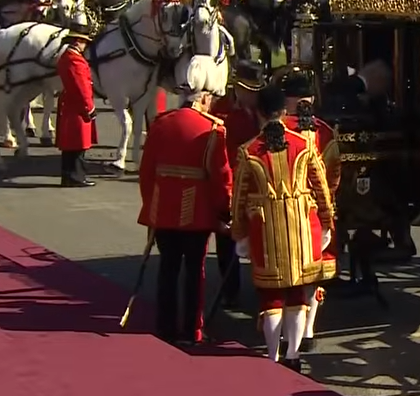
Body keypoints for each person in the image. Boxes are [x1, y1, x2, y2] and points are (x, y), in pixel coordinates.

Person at [231, 85, 335, 373]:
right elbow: (322, 187)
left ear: (260, 112)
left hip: (265, 229)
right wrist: (326, 221)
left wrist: (238, 231)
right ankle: (293, 353)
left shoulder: (248, 150)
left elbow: (239, 197)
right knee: (297, 293)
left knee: (271, 296)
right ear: (283, 111)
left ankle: (273, 355)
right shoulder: (305, 145)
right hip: (303, 225)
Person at [138, 56, 233, 345]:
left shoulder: (161, 123)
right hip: (196, 213)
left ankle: (165, 325)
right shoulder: (213, 130)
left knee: (167, 268)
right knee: (195, 271)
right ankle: (192, 328)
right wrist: (225, 210)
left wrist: (151, 206)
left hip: (162, 209)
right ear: (204, 96)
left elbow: (146, 172)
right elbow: (221, 177)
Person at [277, 66, 342, 352]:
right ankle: (309, 329)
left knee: (285, 274)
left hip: (284, 211)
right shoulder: (325, 132)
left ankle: (284, 331)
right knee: (315, 274)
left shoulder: (277, 130)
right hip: (316, 213)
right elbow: (334, 175)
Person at [207, 59, 265, 309]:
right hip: (233, 179)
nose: (252, 96)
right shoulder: (223, 111)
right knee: (226, 241)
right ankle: (230, 290)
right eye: (248, 91)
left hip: (259, 183)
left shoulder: (263, 110)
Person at [56, 23, 97, 187]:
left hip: (70, 104)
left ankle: (70, 176)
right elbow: (82, 87)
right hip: (77, 107)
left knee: (70, 145)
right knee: (78, 146)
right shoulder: (75, 61)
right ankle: (76, 176)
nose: (85, 45)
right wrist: (89, 107)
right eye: (84, 41)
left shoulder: (67, 58)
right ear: (78, 41)